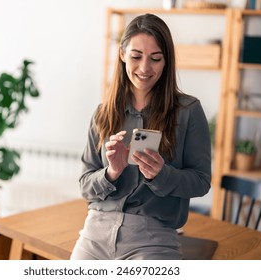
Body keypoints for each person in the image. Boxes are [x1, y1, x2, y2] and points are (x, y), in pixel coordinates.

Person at [70, 13, 211, 260]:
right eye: (136, 57)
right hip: (96, 233)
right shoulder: (103, 114)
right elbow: (85, 184)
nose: (145, 68)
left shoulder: (188, 111)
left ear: (166, 61)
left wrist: (161, 174)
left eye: (155, 59)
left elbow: (201, 181)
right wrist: (111, 173)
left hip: (153, 238)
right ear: (123, 54)